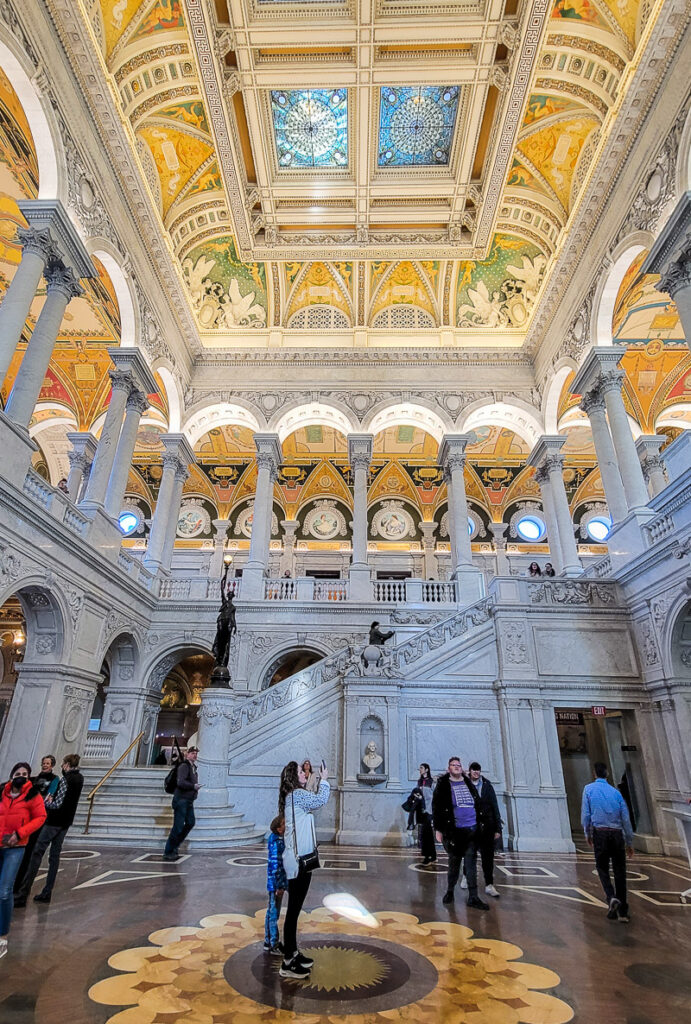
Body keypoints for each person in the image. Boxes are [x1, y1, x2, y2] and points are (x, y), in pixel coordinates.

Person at [278, 759, 329, 980]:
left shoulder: (293, 797)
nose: (304, 774)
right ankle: (288, 961)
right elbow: (320, 799)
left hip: (300, 859)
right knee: (293, 912)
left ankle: (294, 952)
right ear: (293, 776)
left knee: (295, 911)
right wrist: (324, 781)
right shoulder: (297, 796)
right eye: (300, 771)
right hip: (299, 861)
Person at [14, 754, 83, 907]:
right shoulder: (80, 778)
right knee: (54, 857)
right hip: (66, 823)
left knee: (37, 853)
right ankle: (47, 891)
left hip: (54, 822)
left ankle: (23, 892)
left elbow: (57, 803)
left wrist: (45, 804)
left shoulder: (66, 779)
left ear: (66, 764)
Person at [0, 763, 47, 956]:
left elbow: (41, 817)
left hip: (15, 847)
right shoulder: (2, 792)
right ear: (11, 776)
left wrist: (20, 833)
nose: (21, 776)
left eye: (25, 774)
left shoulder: (32, 795)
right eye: (18, 773)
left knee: (4, 891)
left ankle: (2, 935)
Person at [432, 756, 489, 911]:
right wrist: (438, 829)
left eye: (458, 765)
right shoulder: (443, 785)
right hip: (454, 831)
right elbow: (436, 807)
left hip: (472, 828)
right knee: (454, 864)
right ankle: (450, 891)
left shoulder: (468, 782)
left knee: (471, 864)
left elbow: (477, 802)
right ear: (448, 768)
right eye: (453, 765)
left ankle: (473, 896)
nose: (457, 767)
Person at [581, 762, 634, 923]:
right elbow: (625, 818)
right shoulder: (616, 793)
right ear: (607, 774)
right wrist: (629, 841)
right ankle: (622, 912)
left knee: (602, 868)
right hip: (617, 835)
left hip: (601, 834)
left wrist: (587, 833)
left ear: (594, 773)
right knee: (620, 872)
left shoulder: (589, 789)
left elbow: (586, 815)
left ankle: (611, 897)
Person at [14, 755, 59, 895]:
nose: (45, 765)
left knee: (31, 852)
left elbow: (49, 797)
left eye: (48, 763)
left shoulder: (54, 779)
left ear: (52, 765)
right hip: (26, 818)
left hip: (40, 818)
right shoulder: (33, 779)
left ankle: (22, 886)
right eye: (44, 763)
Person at [461, 762, 501, 897]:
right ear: (470, 771)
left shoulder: (487, 786)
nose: (476, 773)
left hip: (487, 827)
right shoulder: (465, 785)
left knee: (488, 858)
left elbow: (495, 806)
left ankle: (489, 884)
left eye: (478, 770)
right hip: (471, 825)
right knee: (469, 854)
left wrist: (498, 829)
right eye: (474, 770)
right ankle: (466, 876)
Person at [163, 746, 200, 861]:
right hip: (181, 800)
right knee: (178, 827)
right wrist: (193, 786)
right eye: (192, 753)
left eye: (195, 753)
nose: (194, 755)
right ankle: (169, 851)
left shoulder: (193, 767)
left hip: (188, 800)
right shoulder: (184, 766)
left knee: (190, 822)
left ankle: (175, 845)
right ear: (187, 754)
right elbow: (180, 782)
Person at [264, 815, 287, 954]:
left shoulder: (276, 840)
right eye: (284, 824)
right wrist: (279, 886)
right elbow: (276, 866)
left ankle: (268, 941)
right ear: (279, 829)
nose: (287, 825)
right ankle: (274, 944)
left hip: (275, 882)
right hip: (275, 884)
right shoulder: (277, 843)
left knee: (271, 912)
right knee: (274, 914)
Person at [417, 763, 436, 865]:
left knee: (427, 833)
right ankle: (431, 855)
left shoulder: (431, 782)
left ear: (426, 769)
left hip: (429, 811)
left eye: (421, 768)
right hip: (421, 811)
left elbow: (435, 797)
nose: (420, 770)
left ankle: (428, 855)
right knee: (424, 834)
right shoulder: (419, 782)